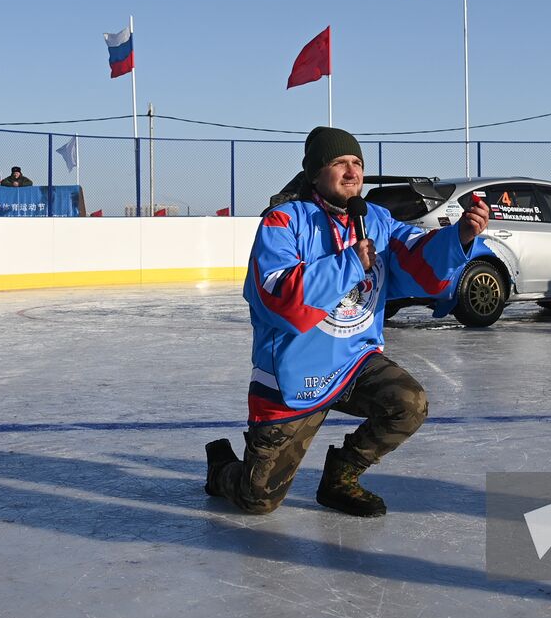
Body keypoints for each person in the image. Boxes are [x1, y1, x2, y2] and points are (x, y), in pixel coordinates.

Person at [205, 126, 489, 516]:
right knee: (258, 500)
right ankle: (222, 468)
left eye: (357, 163)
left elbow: (416, 256)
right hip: (296, 375)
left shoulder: (376, 219)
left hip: (355, 361)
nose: (352, 171)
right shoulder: (284, 222)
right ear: (315, 173)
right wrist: (351, 262)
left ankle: (341, 477)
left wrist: (461, 237)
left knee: (409, 403)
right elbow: (281, 297)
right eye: (339, 163)